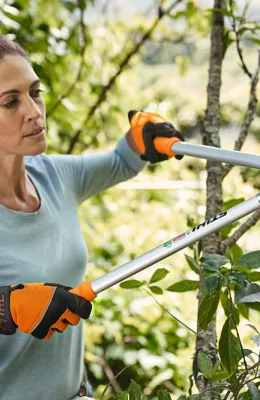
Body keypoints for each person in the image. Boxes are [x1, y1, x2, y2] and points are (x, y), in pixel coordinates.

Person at [0, 35, 184, 400]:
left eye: (35, 92)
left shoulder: (53, 177)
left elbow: (121, 161)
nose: (34, 111)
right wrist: (5, 306)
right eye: (10, 102)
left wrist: (142, 136)